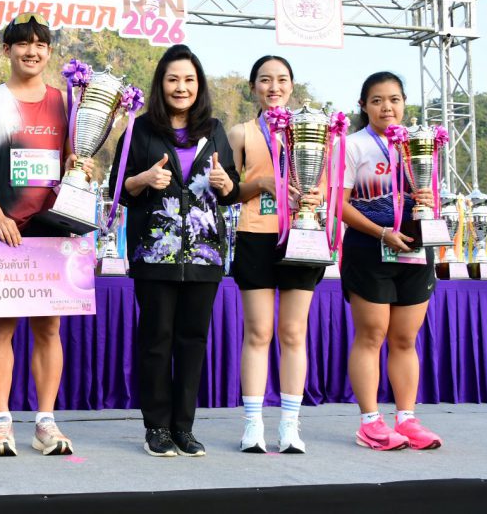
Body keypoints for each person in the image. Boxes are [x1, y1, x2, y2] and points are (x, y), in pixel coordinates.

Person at [0, 12, 90, 457]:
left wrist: (81, 167)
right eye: (22, 44)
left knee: (48, 327)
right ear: (7, 50)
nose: (31, 51)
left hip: (52, 229)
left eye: (40, 44)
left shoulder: (67, 102)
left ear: (49, 52)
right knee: (1, 326)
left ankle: (45, 422)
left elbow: (74, 159)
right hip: (4, 227)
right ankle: (1, 422)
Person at [111, 44, 240, 457]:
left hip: (205, 255)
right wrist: (144, 179)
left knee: (192, 340)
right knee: (156, 340)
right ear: (160, 84)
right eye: (173, 79)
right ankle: (157, 427)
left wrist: (225, 184)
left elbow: (231, 189)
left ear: (198, 85)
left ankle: (184, 428)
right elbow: (119, 189)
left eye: (188, 79)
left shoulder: (214, 128)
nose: (181, 87)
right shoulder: (140, 129)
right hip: (154, 253)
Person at [227, 56, 324, 454]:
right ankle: (253, 424)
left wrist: (315, 197)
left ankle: (289, 425)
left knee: (294, 332)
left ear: (292, 86)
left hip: (301, 237)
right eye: (265, 80)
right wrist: (262, 183)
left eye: (282, 79)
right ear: (253, 87)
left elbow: (326, 185)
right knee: (258, 332)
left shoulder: (315, 130)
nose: (274, 87)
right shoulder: (241, 133)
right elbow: (228, 191)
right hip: (256, 236)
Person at [341, 71, 442, 451]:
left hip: (415, 250)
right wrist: (381, 233)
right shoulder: (352, 146)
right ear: (364, 106)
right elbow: (339, 205)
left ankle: (407, 419)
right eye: (378, 100)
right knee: (371, 335)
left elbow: (429, 195)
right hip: (369, 249)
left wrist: (428, 201)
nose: (387, 107)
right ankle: (370, 423)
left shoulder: (420, 145)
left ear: (404, 103)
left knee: (404, 338)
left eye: (395, 99)